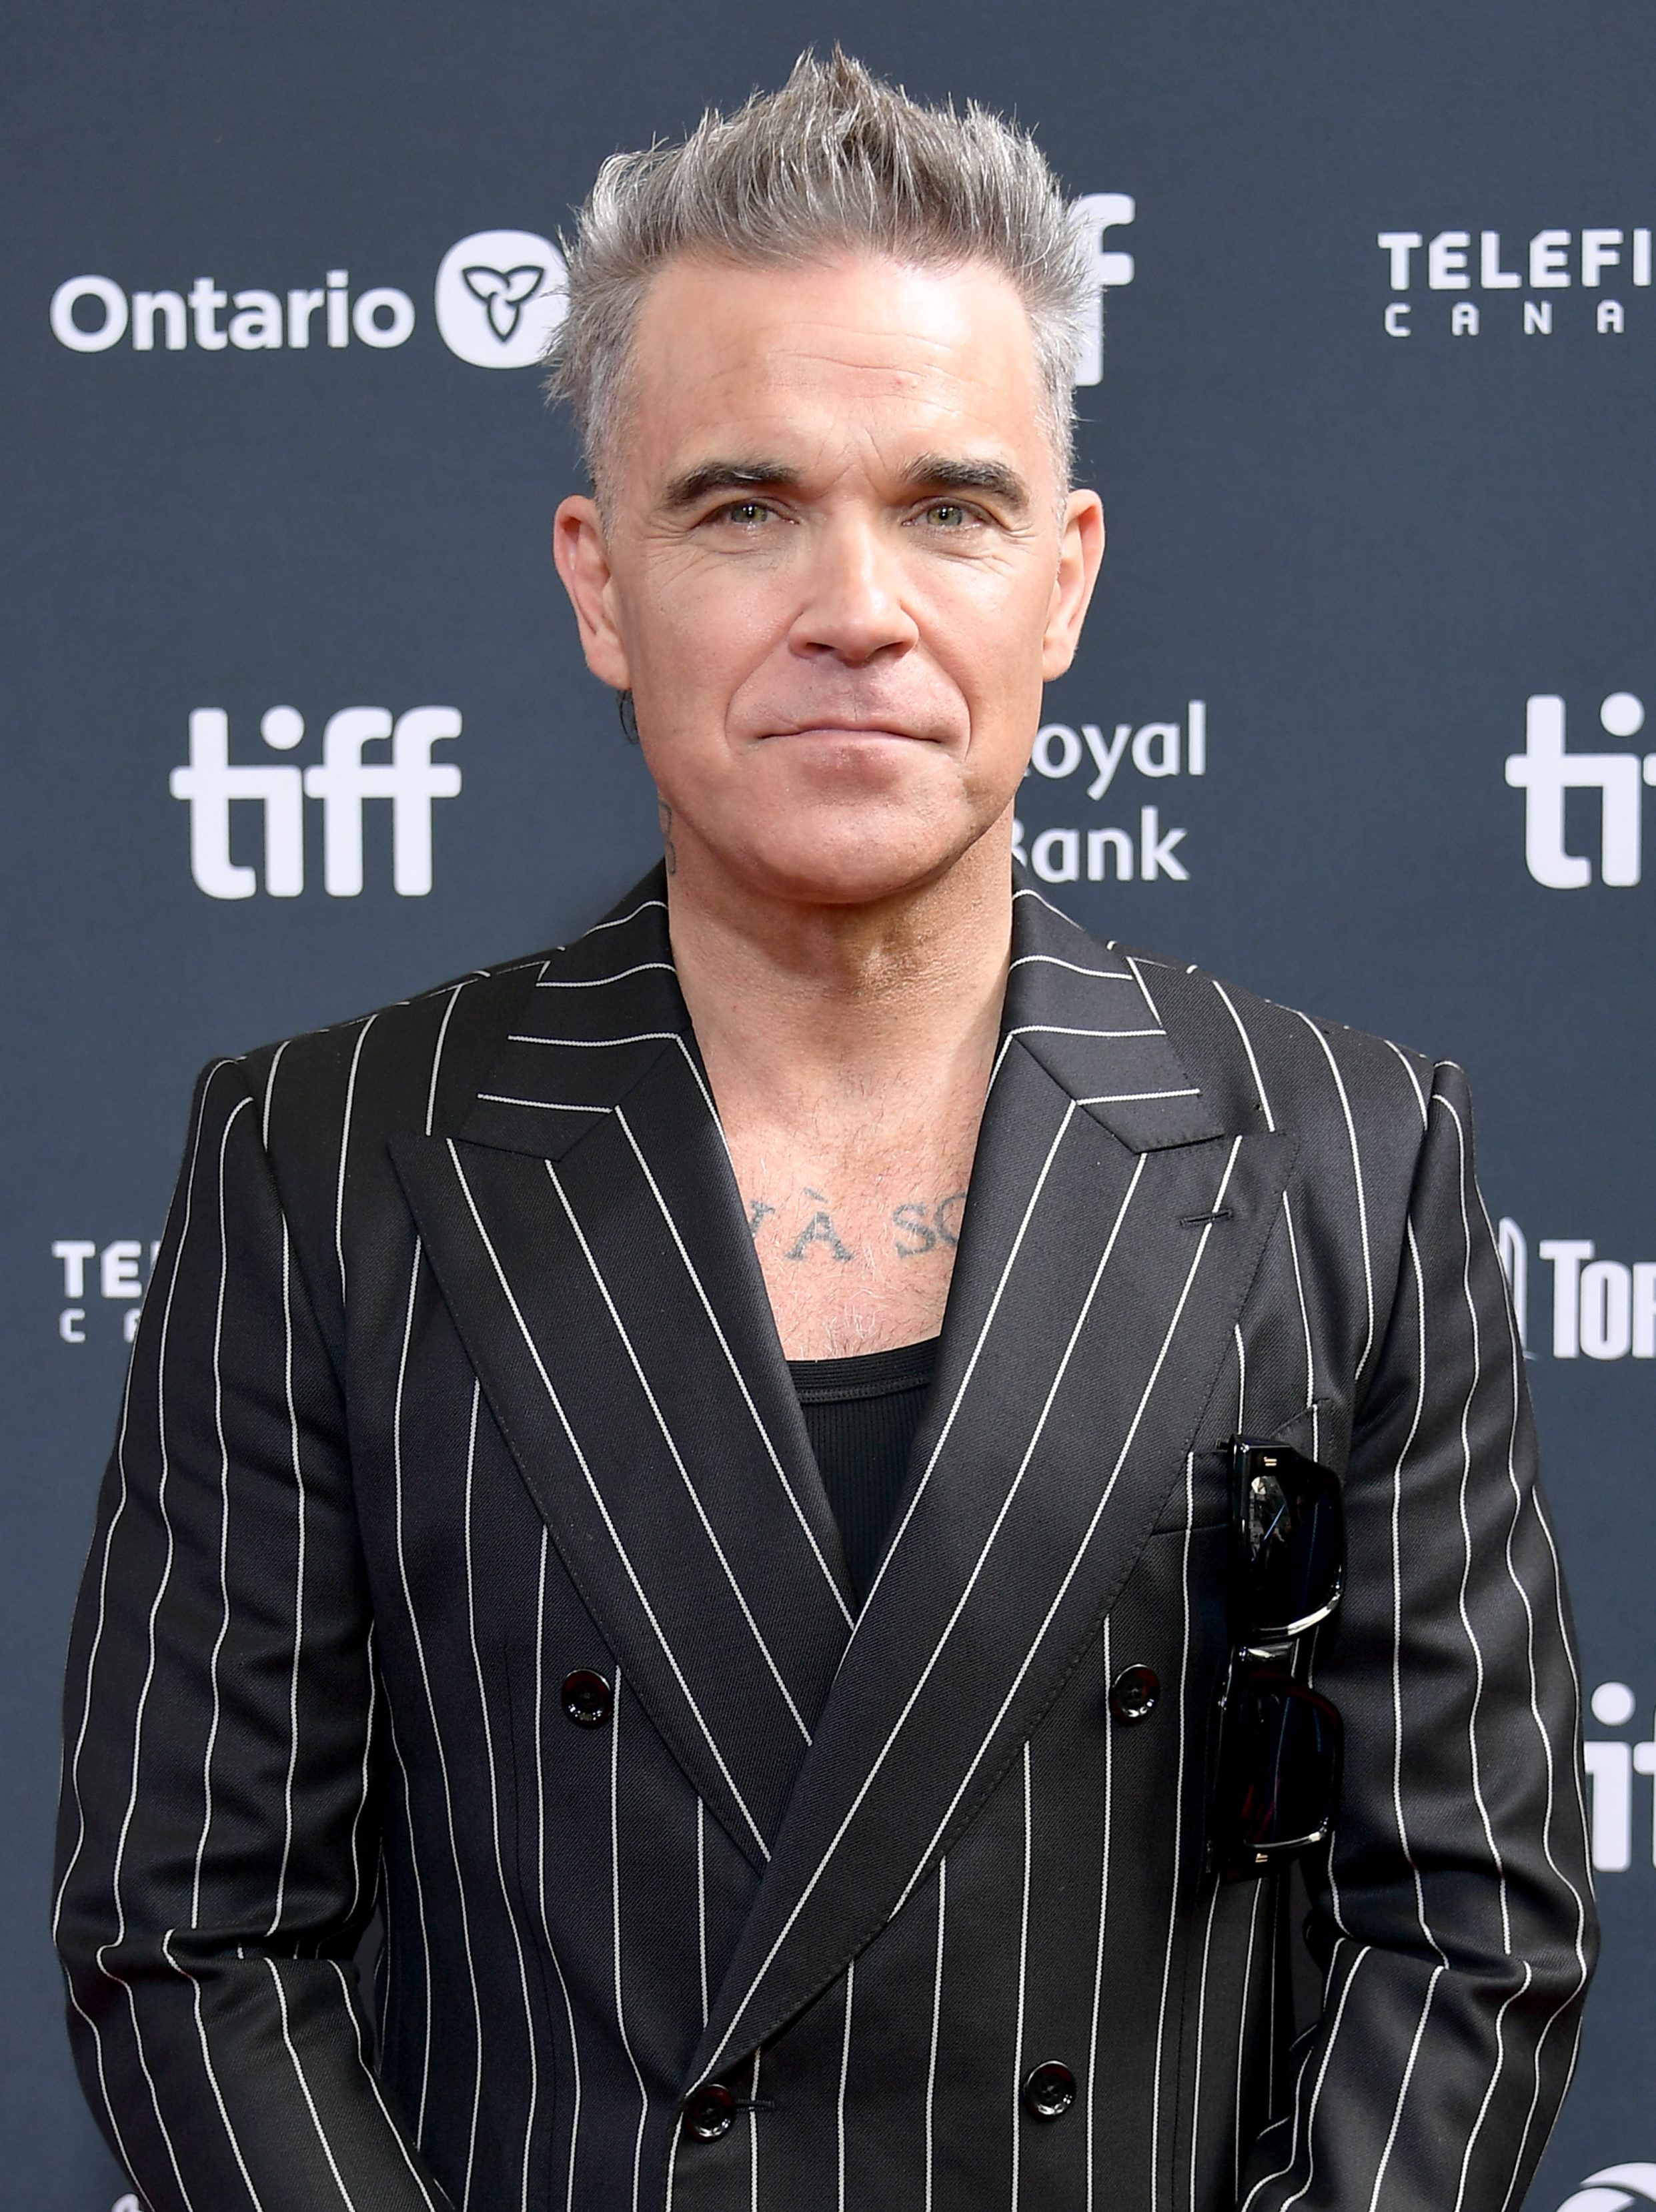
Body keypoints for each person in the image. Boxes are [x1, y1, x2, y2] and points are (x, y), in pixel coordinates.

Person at [54, 50, 1594, 2212]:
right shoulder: (328, 1160)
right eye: (744, 506)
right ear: (601, 582)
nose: (853, 605)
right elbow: (191, 1933)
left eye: (946, 507)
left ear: (1061, 579)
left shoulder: (1348, 1155)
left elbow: (1466, 1922)